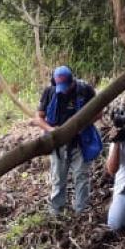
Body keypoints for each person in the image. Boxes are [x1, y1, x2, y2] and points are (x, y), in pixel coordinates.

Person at [33, 66, 98, 215]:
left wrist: (84, 125)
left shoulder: (84, 90)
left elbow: (99, 112)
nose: (63, 90)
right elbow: (38, 118)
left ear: (72, 81)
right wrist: (51, 130)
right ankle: (56, 210)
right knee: (58, 178)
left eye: (66, 86)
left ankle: (81, 211)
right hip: (58, 143)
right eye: (60, 87)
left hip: (81, 141)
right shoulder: (49, 92)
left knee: (81, 176)